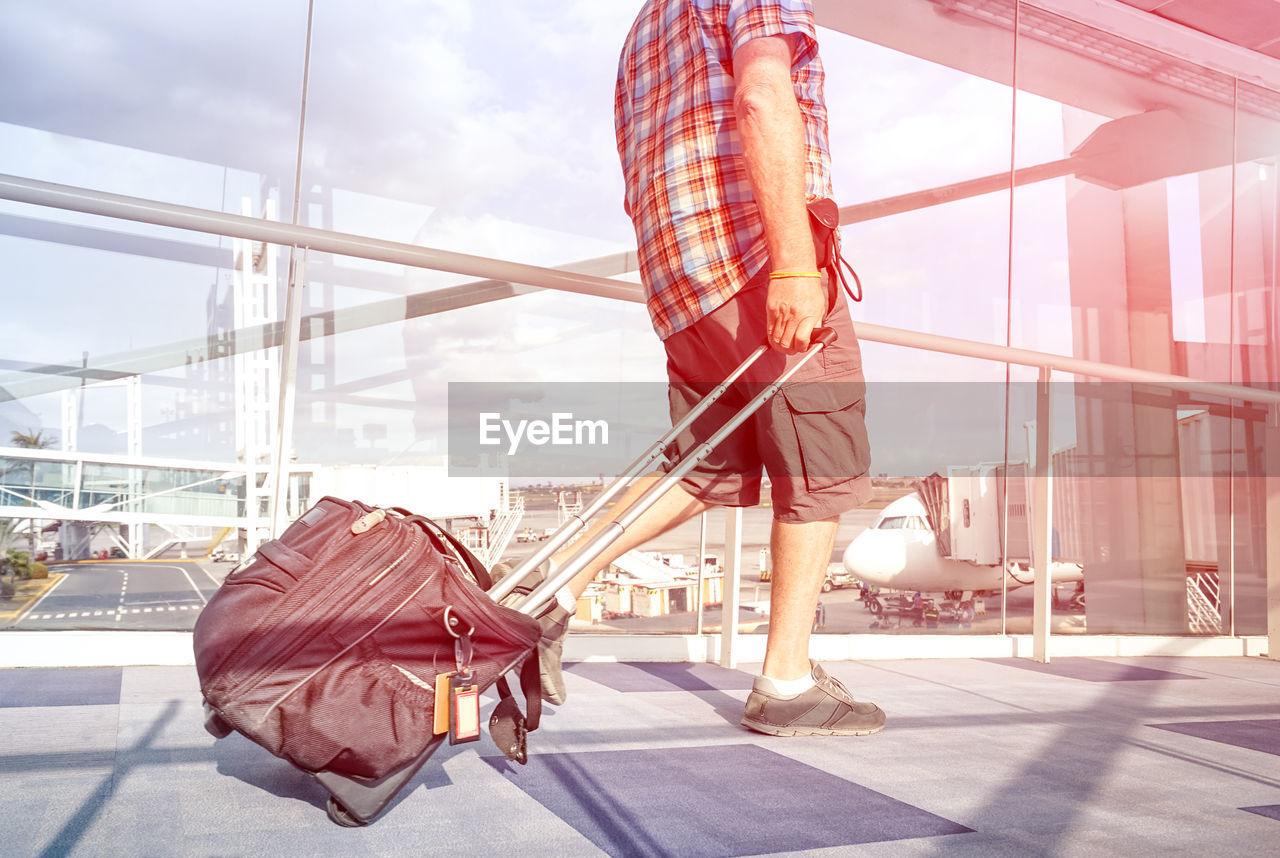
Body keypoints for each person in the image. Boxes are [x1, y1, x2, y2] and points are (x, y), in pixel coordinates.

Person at [534, 0, 883, 738]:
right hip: (756, 260)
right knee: (821, 468)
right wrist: (793, 262)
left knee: (707, 469)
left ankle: (556, 575)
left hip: (682, 283)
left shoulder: (644, 27)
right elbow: (762, 94)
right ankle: (786, 684)